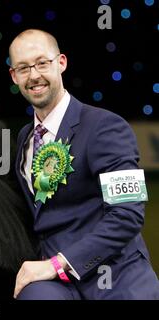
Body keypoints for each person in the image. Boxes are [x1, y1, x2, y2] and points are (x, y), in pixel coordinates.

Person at [9, 28, 159, 300]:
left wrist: (57, 264)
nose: (34, 75)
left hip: (116, 276)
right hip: (56, 285)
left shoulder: (107, 126)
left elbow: (128, 216)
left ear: (61, 63)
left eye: (42, 63)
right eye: (23, 68)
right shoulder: (25, 139)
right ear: (14, 76)